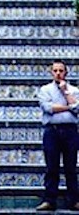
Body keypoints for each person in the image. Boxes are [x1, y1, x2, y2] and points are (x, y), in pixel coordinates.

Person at [36, 60, 79, 211]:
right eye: (55, 70)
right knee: (51, 167)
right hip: (52, 131)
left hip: (70, 131)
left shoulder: (73, 90)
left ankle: (73, 200)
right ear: (51, 72)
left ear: (66, 73)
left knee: (71, 167)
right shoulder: (45, 90)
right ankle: (49, 200)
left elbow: (77, 108)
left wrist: (65, 91)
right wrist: (69, 107)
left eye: (61, 71)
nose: (58, 73)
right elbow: (48, 108)